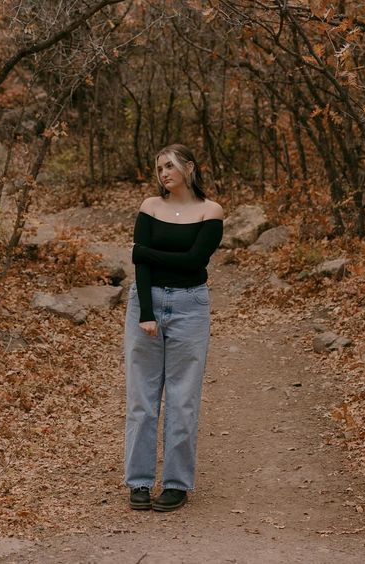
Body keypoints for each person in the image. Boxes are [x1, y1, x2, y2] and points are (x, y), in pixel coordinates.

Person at [124, 144, 224, 512]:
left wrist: (146, 251)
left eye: (169, 166)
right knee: (142, 399)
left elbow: (194, 261)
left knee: (182, 399)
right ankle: (138, 482)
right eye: (159, 168)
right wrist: (146, 313)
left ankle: (176, 484)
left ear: (189, 168)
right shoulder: (150, 206)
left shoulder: (210, 211)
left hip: (190, 306)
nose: (163, 173)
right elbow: (141, 267)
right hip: (145, 303)